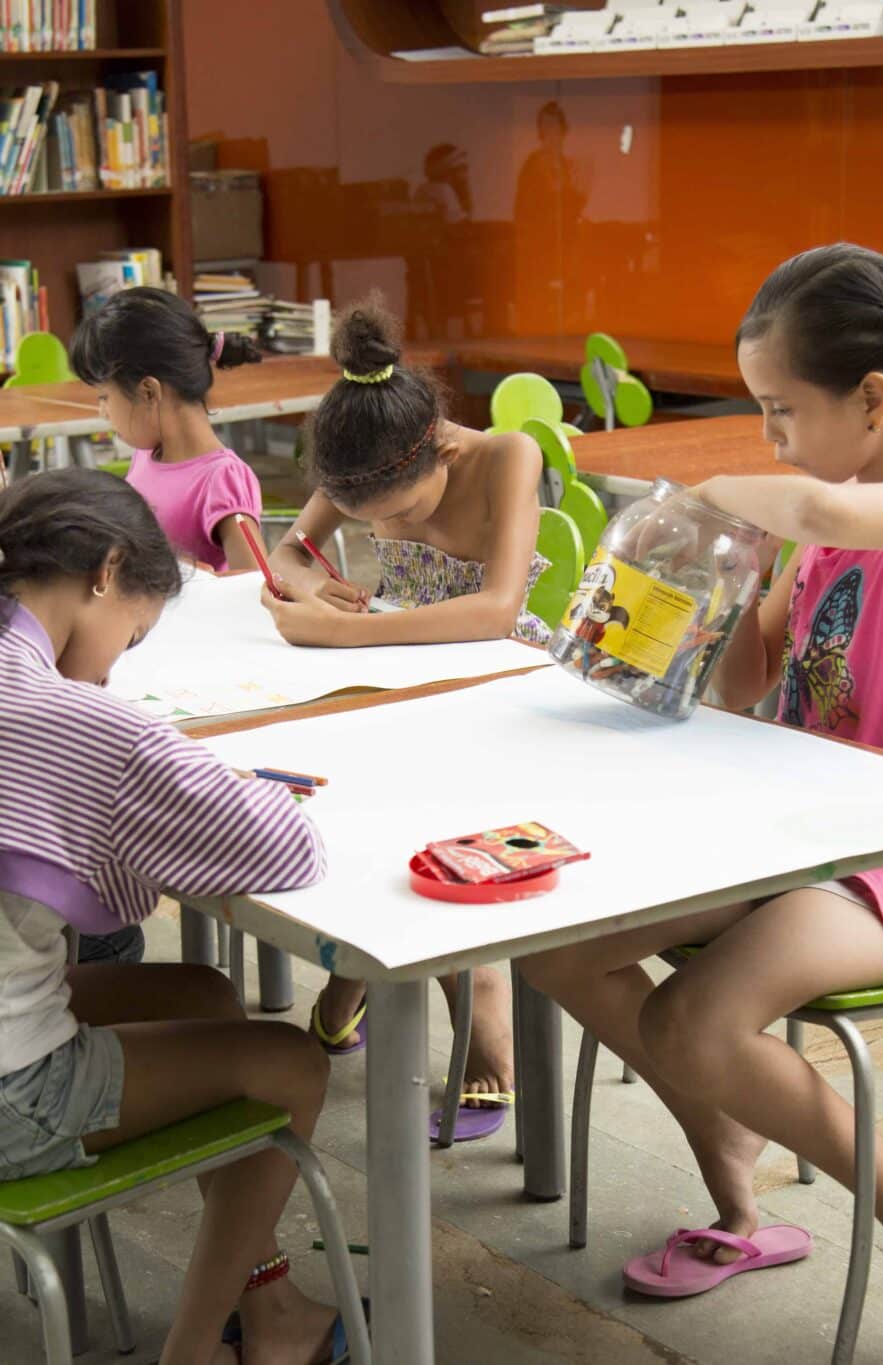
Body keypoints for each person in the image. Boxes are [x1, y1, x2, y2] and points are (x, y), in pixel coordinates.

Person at [517, 243, 883, 1362]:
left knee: (690, 1022)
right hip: (795, 837)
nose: (774, 442)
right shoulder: (827, 515)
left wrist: (711, 501)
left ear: (875, 399)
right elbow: (748, 690)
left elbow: (801, 498)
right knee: (549, 946)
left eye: (780, 412)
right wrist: (719, 591)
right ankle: (732, 1145)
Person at [0, 468, 355, 1365]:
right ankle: (195, 1351)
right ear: (106, 571)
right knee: (292, 1062)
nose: (119, 662)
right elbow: (288, 850)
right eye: (133, 631)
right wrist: (210, 780)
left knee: (203, 991)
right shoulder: (65, 718)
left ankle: (271, 1307)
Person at [263, 297, 547, 1142]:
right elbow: (286, 552)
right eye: (369, 521)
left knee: (443, 812)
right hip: (397, 674)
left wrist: (355, 628)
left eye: (404, 513)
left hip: (499, 685)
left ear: (441, 448)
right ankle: (356, 982)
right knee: (338, 797)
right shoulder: (365, 456)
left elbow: (497, 610)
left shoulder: (506, 455)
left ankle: (478, 1022)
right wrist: (314, 588)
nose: (386, 528)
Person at [68, 285, 267, 573]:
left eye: (104, 397)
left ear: (149, 391)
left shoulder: (221, 479)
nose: (103, 412)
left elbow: (255, 588)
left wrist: (188, 572)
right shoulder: (145, 455)